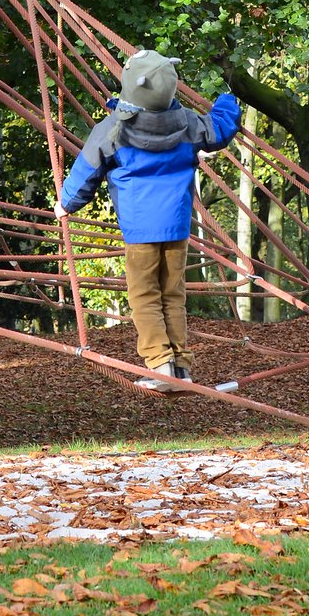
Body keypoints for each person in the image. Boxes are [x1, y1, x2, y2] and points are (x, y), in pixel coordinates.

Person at [54, 49, 241, 391]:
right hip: (177, 227)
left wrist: (66, 204)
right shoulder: (188, 123)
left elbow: (86, 172)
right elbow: (222, 128)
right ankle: (181, 365)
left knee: (144, 297)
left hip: (140, 230)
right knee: (173, 293)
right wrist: (227, 99)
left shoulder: (112, 130)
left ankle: (159, 364)